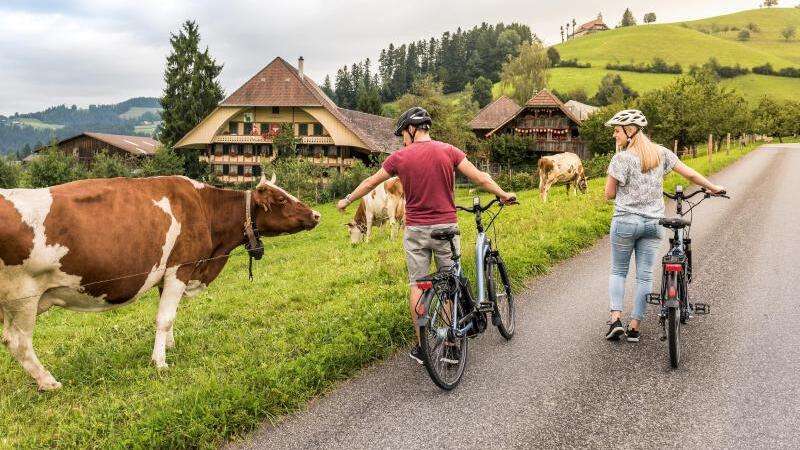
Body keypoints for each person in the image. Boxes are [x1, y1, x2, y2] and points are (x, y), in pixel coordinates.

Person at [337, 107, 517, 363]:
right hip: (446, 228)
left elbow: (370, 183)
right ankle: (451, 342)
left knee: (417, 285)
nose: (402, 139)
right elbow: (480, 177)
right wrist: (502, 194)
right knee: (448, 285)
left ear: (411, 129)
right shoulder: (449, 151)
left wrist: (346, 199)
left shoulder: (399, 158)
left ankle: (422, 346)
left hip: (416, 231)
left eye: (402, 134)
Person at [603, 109, 725, 342]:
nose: (614, 135)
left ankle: (616, 320)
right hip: (653, 223)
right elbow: (689, 173)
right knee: (644, 276)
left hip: (625, 221)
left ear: (630, 131)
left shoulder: (621, 159)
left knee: (619, 271)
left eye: (617, 131)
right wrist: (712, 187)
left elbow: (609, 194)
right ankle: (635, 327)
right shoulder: (661, 153)